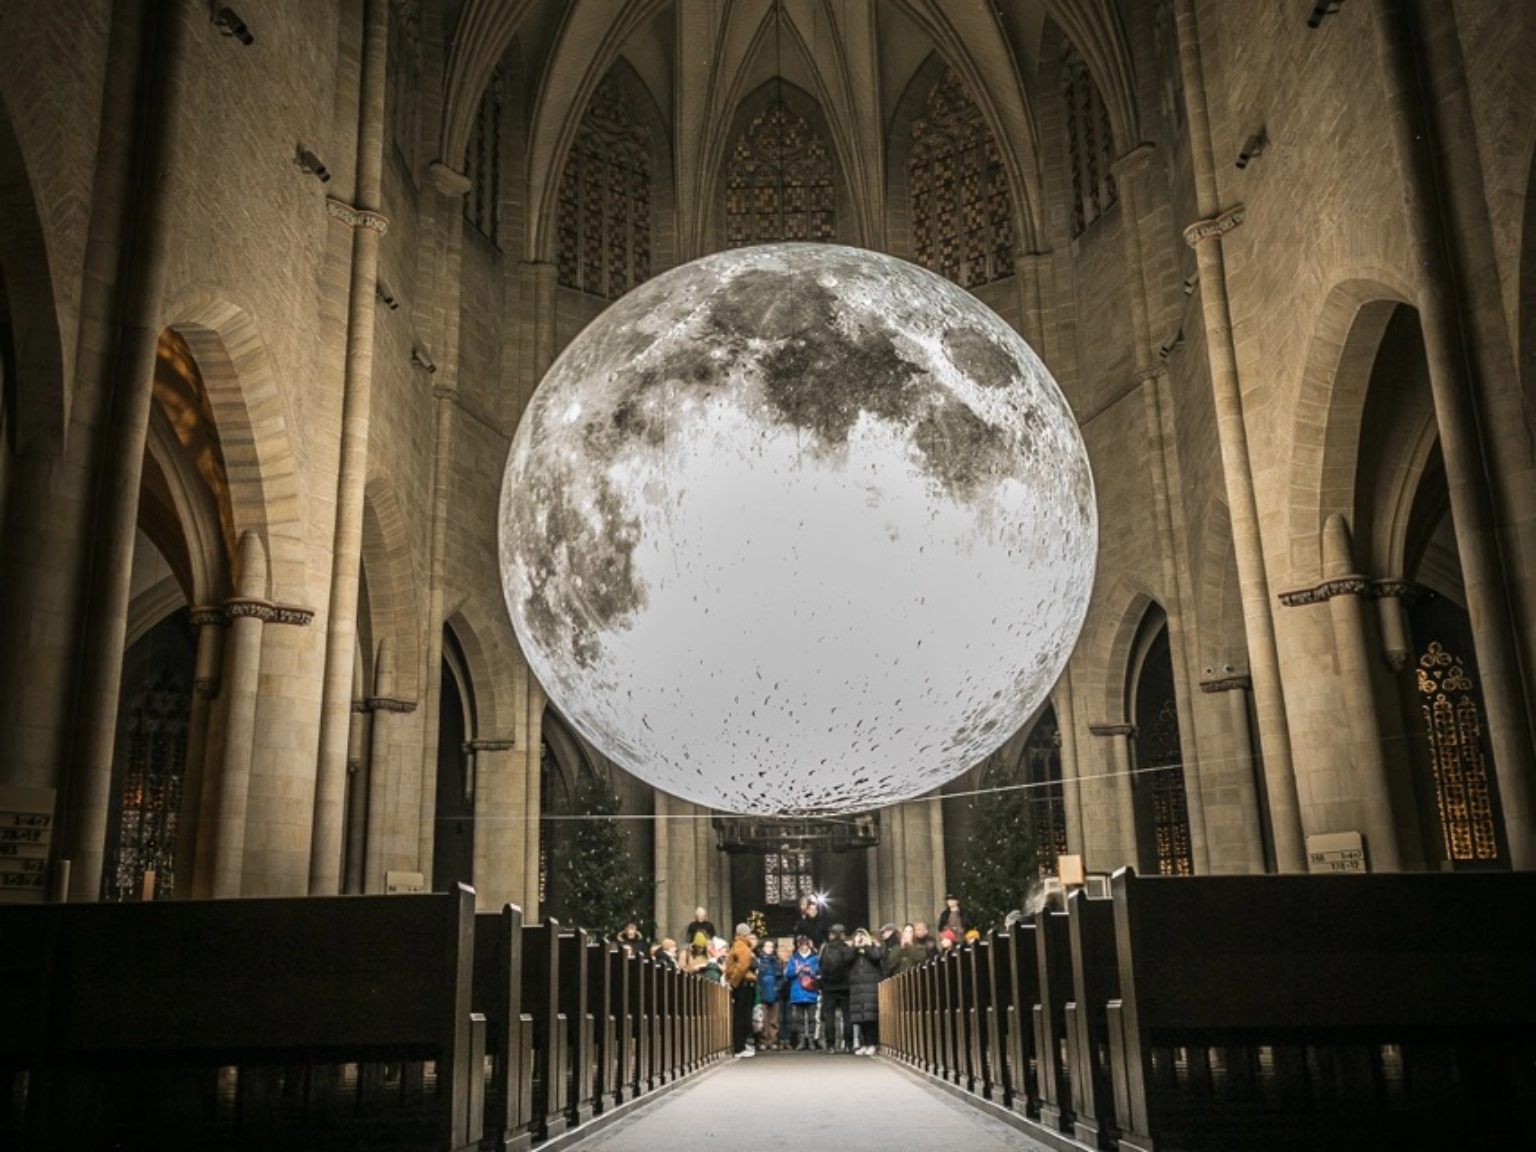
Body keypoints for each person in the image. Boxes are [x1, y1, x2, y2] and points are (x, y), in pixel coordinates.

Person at [817, 923, 855, 1052]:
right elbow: (851, 964)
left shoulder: (825, 948)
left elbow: (821, 965)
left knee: (829, 1016)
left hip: (828, 986)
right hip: (845, 987)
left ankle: (830, 1045)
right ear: (842, 934)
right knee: (847, 1016)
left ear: (832, 934)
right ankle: (848, 1044)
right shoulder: (847, 948)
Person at [847, 927, 884, 1055]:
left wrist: (867, 946)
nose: (860, 938)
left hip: (870, 987)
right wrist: (855, 947)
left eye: (863, 935)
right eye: (858, 936)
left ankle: (872, 1043)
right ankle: (864, 1044)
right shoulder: (853, 950)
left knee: (870, 1018)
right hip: (857, 988)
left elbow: (876, 957)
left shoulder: (873, 947)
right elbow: (846, 960)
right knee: (860, 1018)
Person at [725, 924, 759, 1057]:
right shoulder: (742, 946)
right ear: (744, 934)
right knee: (742, 1016)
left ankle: (742, 1045)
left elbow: (740, 966)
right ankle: (740, 1047)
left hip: (743, 984)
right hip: (744, 984)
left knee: (742, 1015)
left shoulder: (739, 945)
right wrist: (734, 981)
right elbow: (743, 966)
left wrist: (733, 980)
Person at [782, 935, 821, 1050]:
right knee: (799, 1020)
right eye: (801, 945)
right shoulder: (794, 958)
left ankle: (811, 1041)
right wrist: (796, 970)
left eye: (805, 945)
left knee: (812, 1018)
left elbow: (820, 974)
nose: (803, 947)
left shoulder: (815, 958)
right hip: (797, 992)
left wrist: (811, 972)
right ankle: (801, 1041)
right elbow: (788, 974)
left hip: (811, 991)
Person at [755, 936, 782, 1050]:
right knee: (763, 1017)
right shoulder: (758, 961)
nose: (769, 948)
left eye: (771, 946)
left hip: (774, 992)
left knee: (774, 1019)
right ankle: (764, 1040)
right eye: (767, 946)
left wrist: (777, 987)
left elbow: (781, 977)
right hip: (763, 990)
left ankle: (773, 1040)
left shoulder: (776, 961)